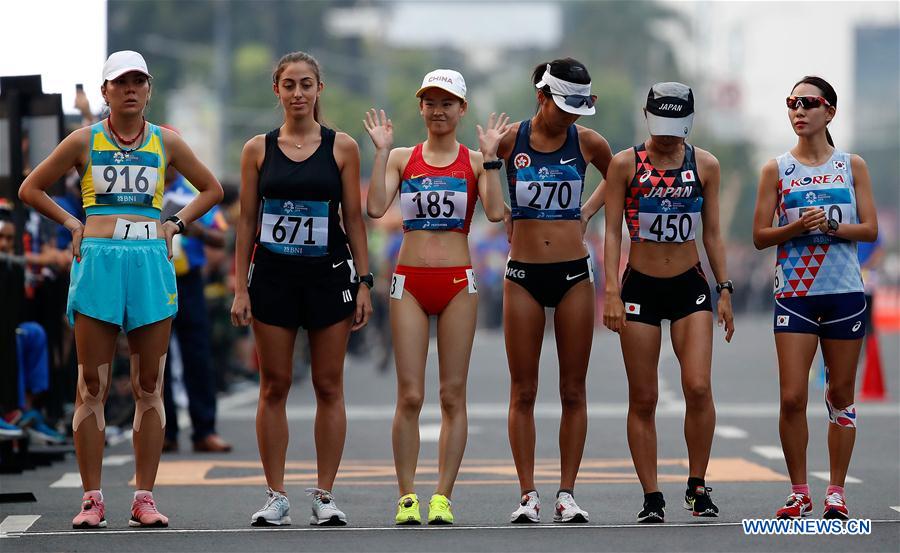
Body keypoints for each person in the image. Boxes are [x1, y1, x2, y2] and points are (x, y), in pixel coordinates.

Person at [18, 50, 224, 529]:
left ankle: (144, 497)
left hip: (150, 263)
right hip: (100, 263)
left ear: (149, 89)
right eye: (120, 82)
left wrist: (176, 223)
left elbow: (210, 189)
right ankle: (92, 498)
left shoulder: (166, 142)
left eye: (139, 82)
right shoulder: (83, 141)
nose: (130, 89)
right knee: (92, 383)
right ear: (106, 90)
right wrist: (72, 223)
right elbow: (32, 188)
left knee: (148, 384)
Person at [231, 51, 372, 527]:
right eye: (289, 85)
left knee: (328, 385)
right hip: (272, 277)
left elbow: (352, 218)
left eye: (306, 84)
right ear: (277, 90)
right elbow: (247, 221)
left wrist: (365, 281)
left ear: (319, 90)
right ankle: (275, 495)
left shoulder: (343, 148)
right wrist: (240, 288)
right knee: (275, 386)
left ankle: (325, 494)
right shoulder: (257, 149)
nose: (297, 93)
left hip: (328, 276)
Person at [364, 69, 507, 525]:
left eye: (448, 102)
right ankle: (407, 496)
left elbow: (498, 212)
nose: (439, 110)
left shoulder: (473, 159)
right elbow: (373, 207)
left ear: (462, 109)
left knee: (451, 395)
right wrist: (382, 152)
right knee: (409, 395)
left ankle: (442, 495)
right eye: (431, 101)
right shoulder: (403, 157)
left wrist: (491, 160)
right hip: (409, 282)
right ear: (421, 107)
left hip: (457, 284)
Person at [604, 82, 734, 523]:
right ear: (647, 116)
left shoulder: (706, 165)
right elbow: (609, 234)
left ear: (689, 123)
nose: (666, 136)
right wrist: (610, 291)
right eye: (660, 126)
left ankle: (697, 486)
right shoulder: (624, 164)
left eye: (675, 128)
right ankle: (652, 495)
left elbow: (712, 233)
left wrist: (725, 288)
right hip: (639, 285)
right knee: (644, 396)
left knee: (698, 386)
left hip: (689, 284)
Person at [751, 76, 877, 520]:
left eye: (808, 103)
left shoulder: (851, 165)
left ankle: (836, 491)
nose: (798, 111)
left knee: (840, 394)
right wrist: (795, 228)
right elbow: (760, 236)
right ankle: (799, 490)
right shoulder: (776, 169)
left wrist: (830, 226)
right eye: (792, 103)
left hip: (843, 292)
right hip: (795, 295)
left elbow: (870, 230)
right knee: (791, 397)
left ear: (830, 112)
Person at [496, 58, 611, 524]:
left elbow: (620, 174)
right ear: (541, 97)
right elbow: (478, 183)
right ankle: (528, 494)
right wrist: (502, 208)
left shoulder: (588, 141)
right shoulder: (511, 141)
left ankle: (566, 492)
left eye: (577, 109)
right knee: (523, 390)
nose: (571, 117)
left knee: (573, 389)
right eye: (564, 107)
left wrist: (587, 211)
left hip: (573, 275)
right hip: (522, 274)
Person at [161, 156, 232, 454]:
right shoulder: (140, 189)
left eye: (172, 159)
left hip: (187, 282)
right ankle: (164, 432)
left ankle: (204, 430)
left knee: (198, 356)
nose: (168, 164)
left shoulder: (192, 195)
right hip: (153, 280)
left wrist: (192, 227)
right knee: (155, 358)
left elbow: (221, 238)